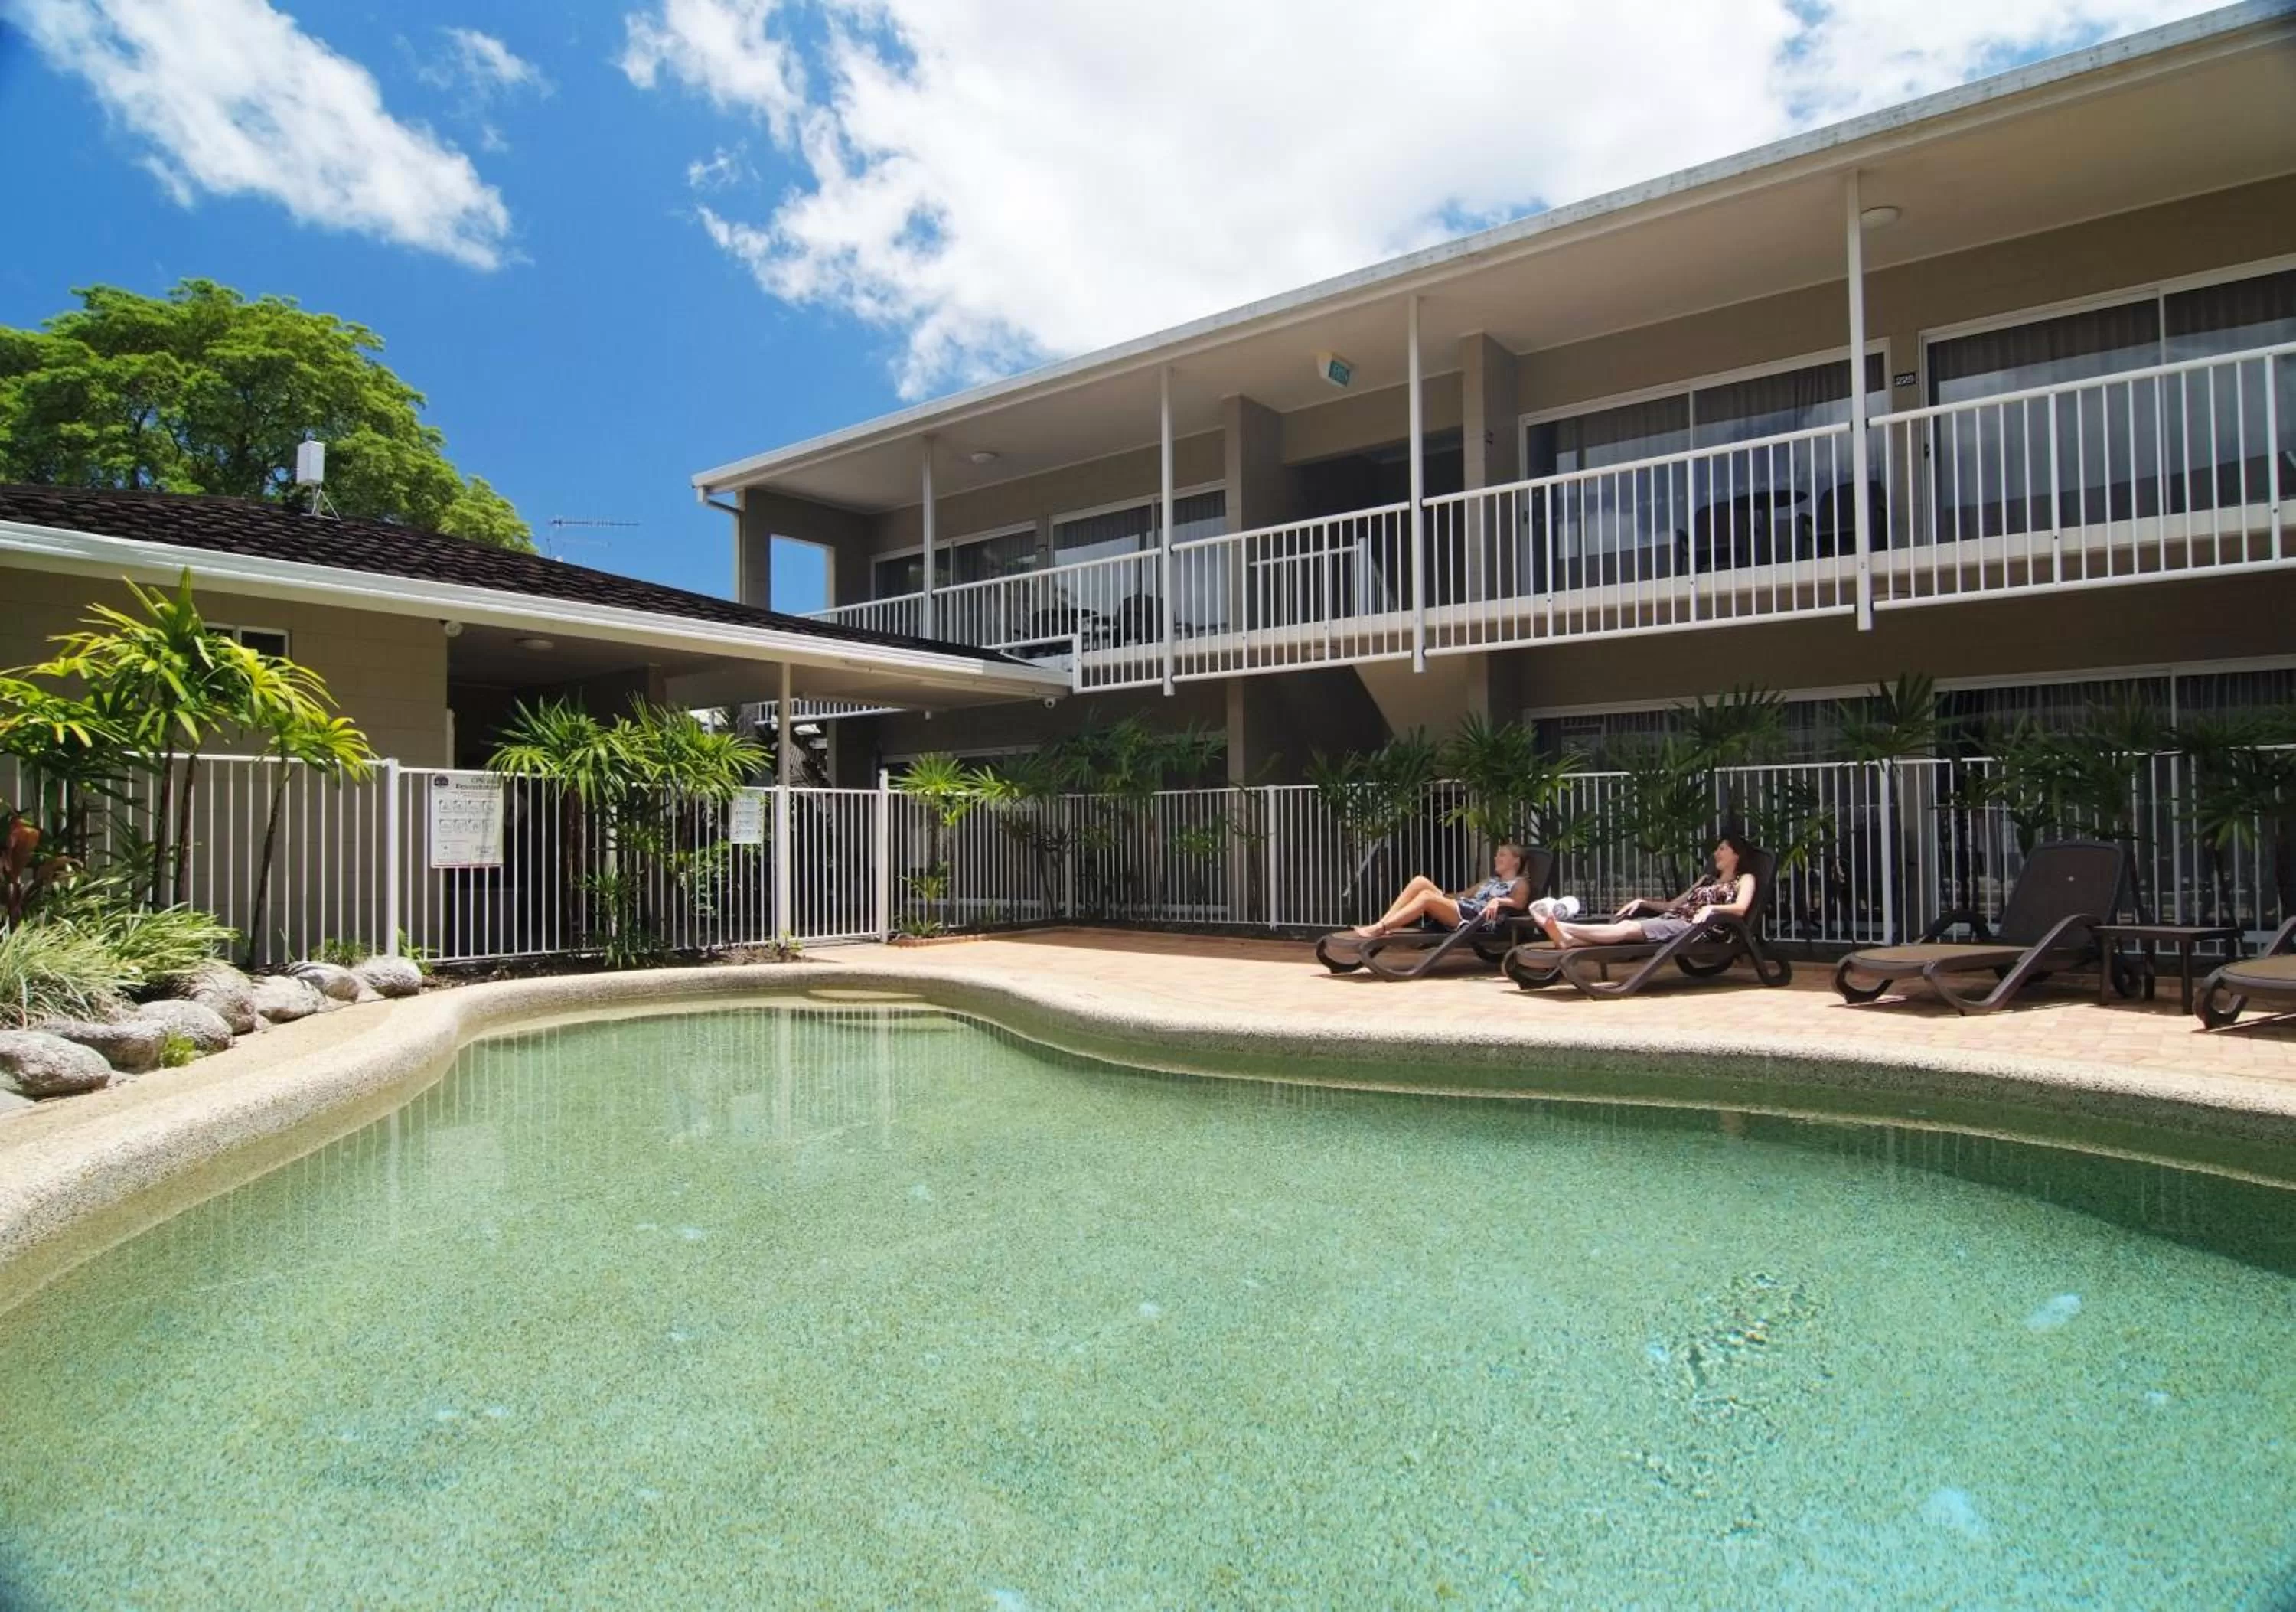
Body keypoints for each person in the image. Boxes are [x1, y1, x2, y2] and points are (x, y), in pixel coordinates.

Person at [1534, 837, 1757, 949]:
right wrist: (1643, 901)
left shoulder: (1745, 879)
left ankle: (1563, 927)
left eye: (1722, 849)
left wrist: (1711, 907)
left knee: (1627, 928)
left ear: (1736, 855)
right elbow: (1673, 905)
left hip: (1695, 929)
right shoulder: (1707, 879)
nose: (1716, 853)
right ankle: (1569, 940)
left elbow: (1740, 908)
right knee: (1626, 931)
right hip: (1675, 920)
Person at [1352, 844, 1531, 939]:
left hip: (1476, 919)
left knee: (1426, 897)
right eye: (1497, 854)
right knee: (1420, 882)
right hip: (1463, 908)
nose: (1496, 858)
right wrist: (1442, 897)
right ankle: (1384, 923)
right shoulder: (1490, 880)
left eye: (1502, 855)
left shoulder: (1520, 883)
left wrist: (1499, 901)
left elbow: (1520, 903)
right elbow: (1463, 895)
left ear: (1516, 861)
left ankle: (1381, 928)